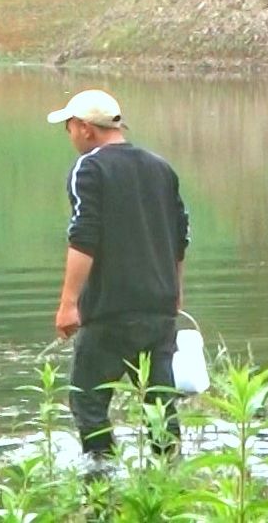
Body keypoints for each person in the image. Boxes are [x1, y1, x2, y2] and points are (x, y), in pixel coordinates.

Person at [47, 88, 190, 464]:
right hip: (158, 310)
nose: (69, 134)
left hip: (109, 313)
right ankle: (168, 479)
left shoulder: (89, 168)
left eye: (69, 126)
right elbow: (180, 236)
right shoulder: (161, 167)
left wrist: (68, 304)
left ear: (85, 129)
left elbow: (83, 237)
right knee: (160, 407)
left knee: (88, 403)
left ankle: (100, 482)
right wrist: (175, 292)